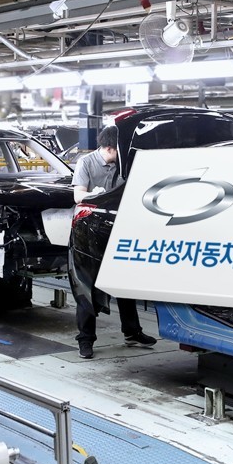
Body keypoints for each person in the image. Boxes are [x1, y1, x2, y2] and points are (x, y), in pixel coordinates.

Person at [71, 125, 157, 359]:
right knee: (87, 286)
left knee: (124, 281)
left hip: (116, 229)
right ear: (110, 148)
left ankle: (132, 332)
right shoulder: (86, 163)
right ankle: (85, 340)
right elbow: (78, 196)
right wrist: (97, 194)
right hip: (89, 233)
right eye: (120, 149)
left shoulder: (123, 165)